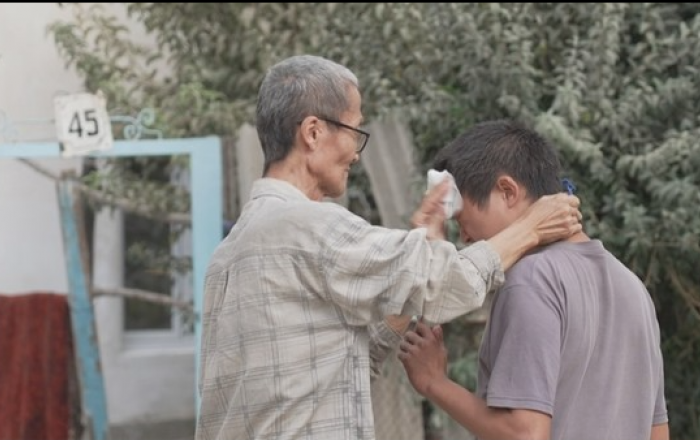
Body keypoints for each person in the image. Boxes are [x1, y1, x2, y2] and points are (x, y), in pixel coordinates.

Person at [195, 55, 582, 440]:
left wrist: (402, 293)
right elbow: (447, 284)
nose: (356, 153)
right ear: (313, 132)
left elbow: (337, 370)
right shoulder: (310, 227)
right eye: (354, 131)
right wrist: (532, 226)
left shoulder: (228, 253)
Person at [399, 119, 669, 440]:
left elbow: (525, 434)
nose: (466, 238)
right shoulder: (632, 286)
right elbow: (657, 432)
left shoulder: (532, 279)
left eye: (463, 221)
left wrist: (434, 382)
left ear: (508, 191)